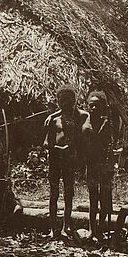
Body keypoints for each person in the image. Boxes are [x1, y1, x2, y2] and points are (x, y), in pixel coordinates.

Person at [43, 85, 88, 238]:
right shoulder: (54, 120)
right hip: (56, 159)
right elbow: (46, 143)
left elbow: (89, 116)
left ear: (74, 100)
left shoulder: (80, 117)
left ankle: (66, 226)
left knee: (69, 193)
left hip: (69, 159)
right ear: (58, 102)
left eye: (69, 100)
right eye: (62, 100)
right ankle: (52, 228)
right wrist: (55, 148)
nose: (65, 103)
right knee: (53, 193)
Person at [82, 91, 114, 239]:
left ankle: (101, 228)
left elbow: (112, 144)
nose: (94, 108)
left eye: (97, 106)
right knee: (93, 197)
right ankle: (92, 229)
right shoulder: (84, 119)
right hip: (91, 164)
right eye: (91, 105)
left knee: (104, 197)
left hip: (104, 164)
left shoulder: (108, 122)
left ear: (103, 107)